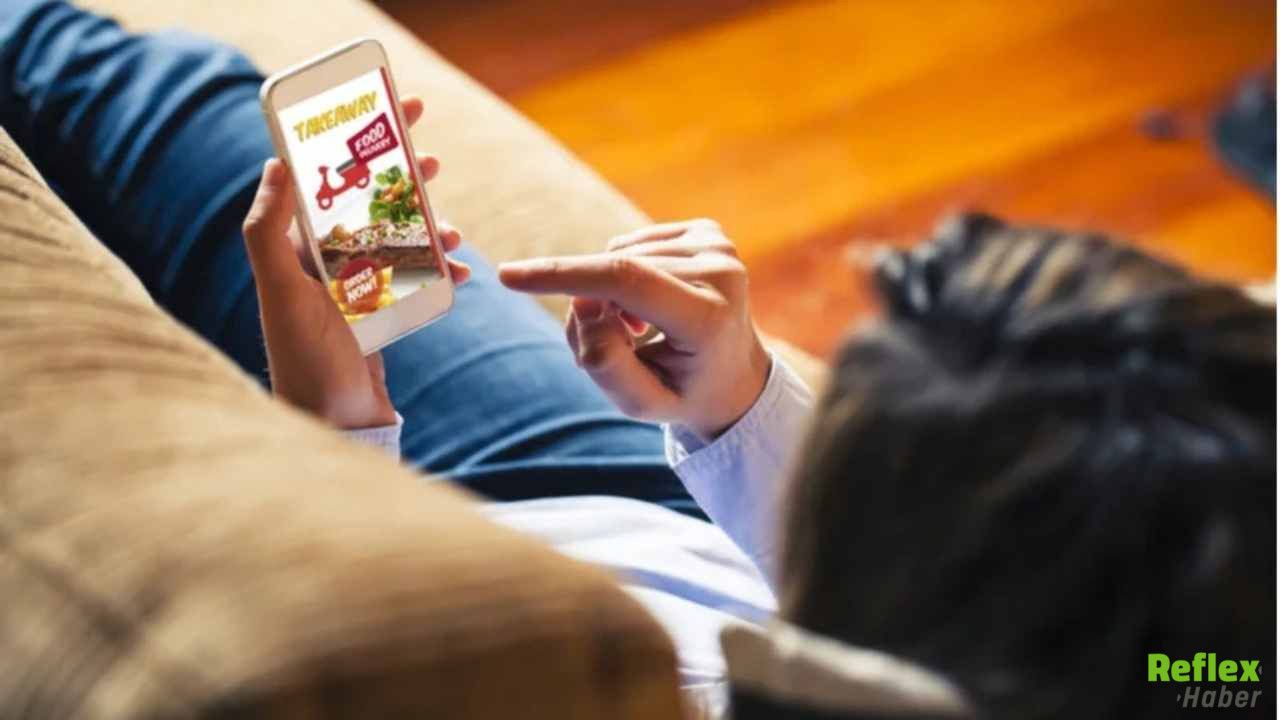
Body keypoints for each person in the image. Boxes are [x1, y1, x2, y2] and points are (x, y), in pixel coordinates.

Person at [1, 3, 1272, 718]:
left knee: (103, 94)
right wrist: (737, 407)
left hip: (435, 539)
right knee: (140, 94)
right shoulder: (1214, 656)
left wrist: (336, 432)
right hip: (632, 497)